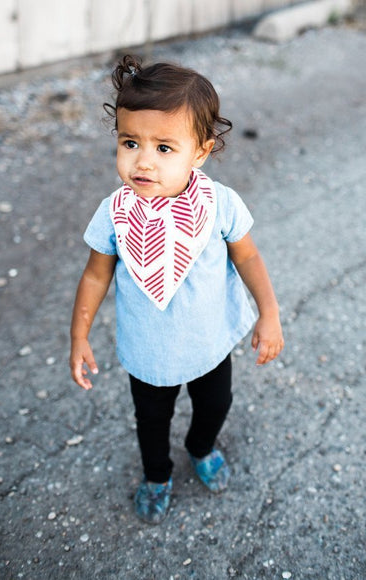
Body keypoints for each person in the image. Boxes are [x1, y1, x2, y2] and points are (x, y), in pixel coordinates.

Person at [69, 55, 284, 524]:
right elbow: (95, 275)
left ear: (200, 152)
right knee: (151, 420)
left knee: (215, 404)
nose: (143, 161)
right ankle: (157, 474)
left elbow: (247, 256)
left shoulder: (218, 204)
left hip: (209, 342)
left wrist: (269, 312)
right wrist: (79, 335)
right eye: (130, 142)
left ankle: (201, 447)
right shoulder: (115, 212)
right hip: (149, 350)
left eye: (165, 147)